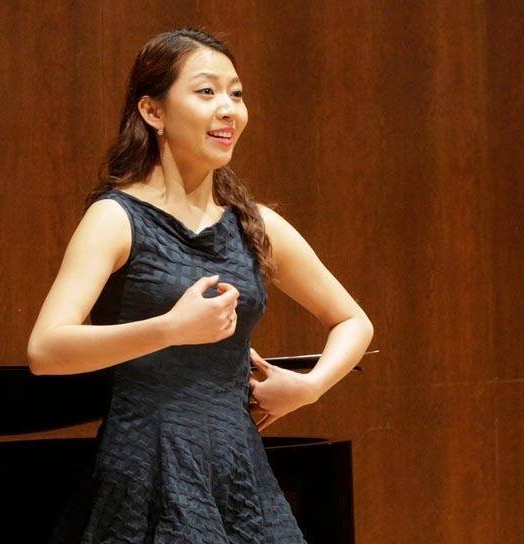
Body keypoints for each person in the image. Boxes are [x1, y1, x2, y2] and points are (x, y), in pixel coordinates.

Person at [26, 28, 373, 542]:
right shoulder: (116, 217)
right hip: (146, 463)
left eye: (236, 93)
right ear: (153, 111)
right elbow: (46, 349)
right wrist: (170, 328)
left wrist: (308, 387)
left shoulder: (254, 224)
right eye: (206, 91)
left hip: (237, 466)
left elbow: (353, 321)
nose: (229, 108)